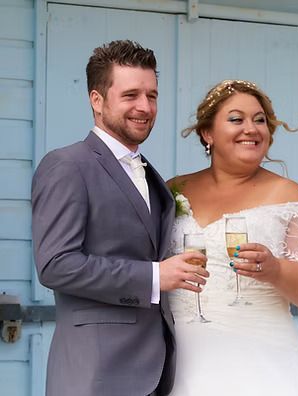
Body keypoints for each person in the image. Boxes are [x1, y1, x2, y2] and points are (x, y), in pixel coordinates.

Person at [31, 40, 208, 396]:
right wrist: (156, 275)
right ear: (97, 100)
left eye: (152, 95)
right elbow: (56, 265)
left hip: (156, 374)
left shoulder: (150, 175)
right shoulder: (67, 166)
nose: (145, 107)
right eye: (131, 95)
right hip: (95, 374)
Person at [167, 79, 298, 395]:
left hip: (262, 367)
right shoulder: (172, 190)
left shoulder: (289, 197)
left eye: (260, 120)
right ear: (207, 133)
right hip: (180, 365)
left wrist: (276, 270)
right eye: (236, 119)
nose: (251, 128)